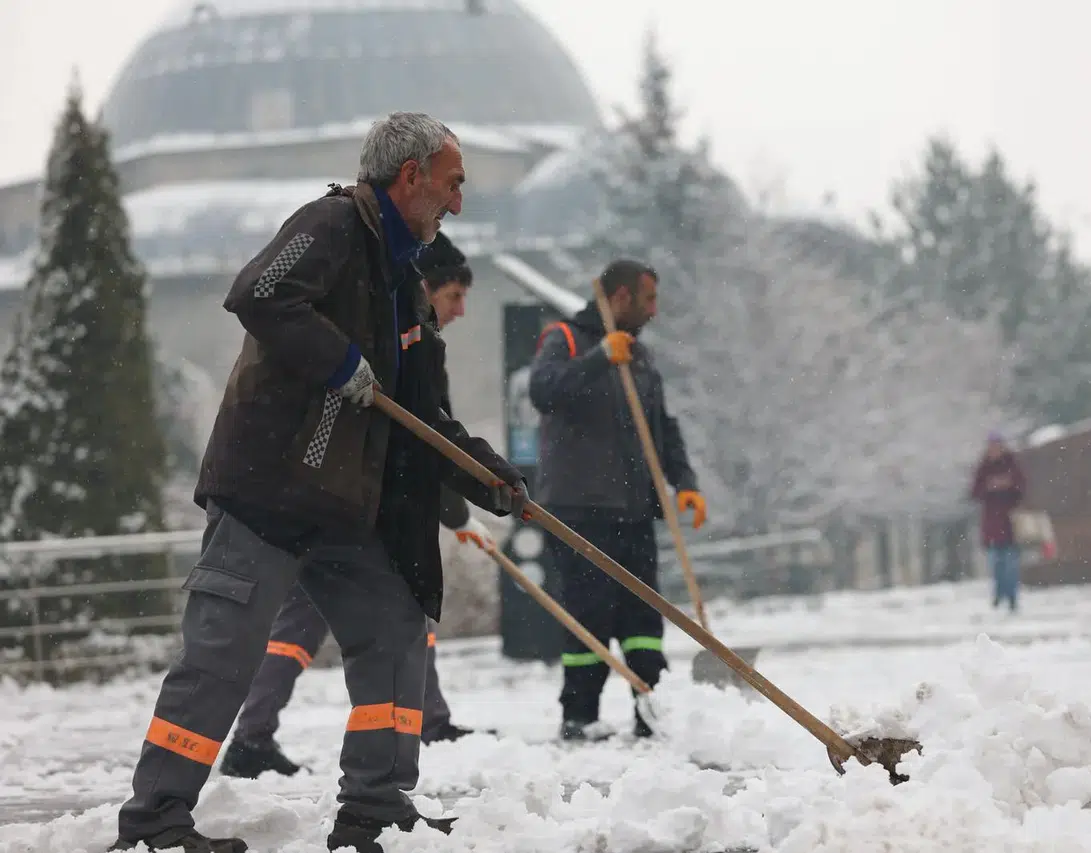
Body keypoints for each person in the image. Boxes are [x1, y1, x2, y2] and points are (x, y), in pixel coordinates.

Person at [111, 112, 528, 853]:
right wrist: (339, 363)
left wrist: (489, 476)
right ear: (410, 177)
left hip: (340, 508)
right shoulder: (334, 224)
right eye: (452, 183)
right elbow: (259, 294)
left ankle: (373, 805)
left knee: (396, 626)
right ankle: (155, 820)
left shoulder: (404, 281)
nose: (458, 202)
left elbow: (422, 416)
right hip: (268, 490)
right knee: (223, 652)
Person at [216, 235, 497, 783]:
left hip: (332, 500)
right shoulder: (403, 338)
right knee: (395, 619)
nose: (461, 308)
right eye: (456, 294)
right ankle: (263, 739)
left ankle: (257, 735)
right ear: (428, 288)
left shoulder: (409, 335)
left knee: (323, 627)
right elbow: (427, 439)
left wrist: (459, 511)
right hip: (348, 508)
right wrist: (459, 511)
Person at [527, 259, 706, 742]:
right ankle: (579, 715)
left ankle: (652, 710)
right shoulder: (563, 338)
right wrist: (599, 358)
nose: (654, 310)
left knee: (643, 617)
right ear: (621, 297)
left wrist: (683, 481)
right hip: (579, 511)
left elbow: (661, 427)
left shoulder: (640, 357)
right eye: (648, 299)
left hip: (632, 508)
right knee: (590, 614)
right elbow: (542, 391)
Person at [970, 431, 1027, 612]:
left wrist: (1008, 485)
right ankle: (999, 593)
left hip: (1011, 525)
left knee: (1011, 566)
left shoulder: (1012, 465)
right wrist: (989, 487)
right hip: (992, 527)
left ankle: (1011, 598)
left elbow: (1022, 488)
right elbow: (974, 492)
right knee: (996, 565)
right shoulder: (984, 468)